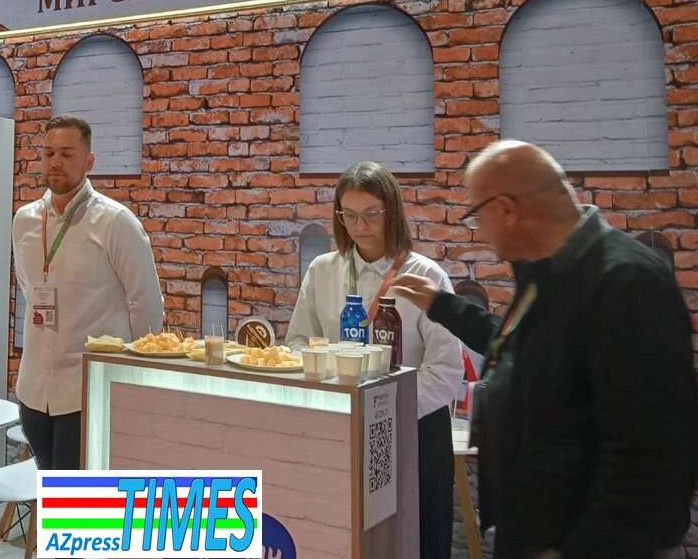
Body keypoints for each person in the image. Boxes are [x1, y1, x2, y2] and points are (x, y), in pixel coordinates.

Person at [391, 140, 698, 559]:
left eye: (476, 214)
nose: (479, 229)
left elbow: (649, 464)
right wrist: (443, 306)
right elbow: (526, 352)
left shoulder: (626, 282)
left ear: (506, 210)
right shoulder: (549, 272)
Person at [284, 162, 462, 559]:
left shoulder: (426, 276)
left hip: (414, 431)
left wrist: (384, 411)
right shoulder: (323, 270)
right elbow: (296, 342)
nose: (359, 227)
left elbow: (446, 371)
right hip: (341, 427)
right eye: (348, 215)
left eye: (370, 215)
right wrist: (335, 392)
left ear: (392, 212)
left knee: (417, 540)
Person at [13, 115, 164, 470]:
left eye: (67, 154)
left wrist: (134, 381)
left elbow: (146, 305)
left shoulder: (115, 221)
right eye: (49, 153)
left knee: (78, 497)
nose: (55, 162)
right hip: (34, 390)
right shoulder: (24, 220)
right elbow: (29, 288)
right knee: (51, 491)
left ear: (89, 161)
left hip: (87, 393)